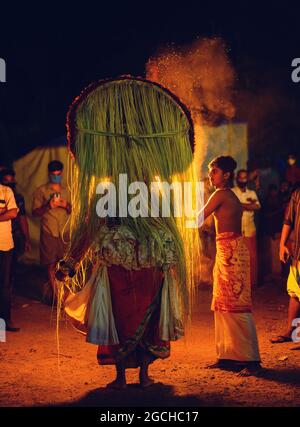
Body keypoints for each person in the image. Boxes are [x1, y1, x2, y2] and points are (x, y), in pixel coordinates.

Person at [56, 77, 200, 389]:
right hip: (120, 269)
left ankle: (141, 375)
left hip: (146, 265)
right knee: (118, 322)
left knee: (144, 321)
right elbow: (90, 228)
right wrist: (71, 263)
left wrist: (71, 262)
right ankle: (123, 376)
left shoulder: (149, 193)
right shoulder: (108, 190)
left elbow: (163, 229)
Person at [198, 156, 261, 376]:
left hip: (231, 252)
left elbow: (198, 219)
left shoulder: (221, 194)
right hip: (227, 251)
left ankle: (251, 360)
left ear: (225, 175)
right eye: (210, 171)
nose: (210, 175)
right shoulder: (227, 194)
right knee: (223, 304)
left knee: (237, 305)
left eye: (214, 171)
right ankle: (227, 356)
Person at [32, 160, 71, 303]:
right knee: (51, 264)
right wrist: (48, 205)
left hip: (65, 231)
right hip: (49, 231)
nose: (56, 177)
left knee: (67, 264)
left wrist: (66, 205)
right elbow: (35, 212)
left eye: (58, 174)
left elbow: (75, 210)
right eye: (53, 174)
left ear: (62, 173)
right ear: (49, 174)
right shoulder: (41, 191)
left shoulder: (67, 190)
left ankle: (66, 294)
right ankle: (57, 298)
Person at [270, 188, 300, 343]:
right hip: (298, 252)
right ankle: (293, 332)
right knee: (295, 293)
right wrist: (282, 244)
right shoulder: (297, 194)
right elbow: (288, 220)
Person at [0, 168, 31, 286]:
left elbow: (21, 218)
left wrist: (26, 239)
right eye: (6, 181)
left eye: (11, 181)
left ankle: (10, 290)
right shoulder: (3, 193)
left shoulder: (18, 198)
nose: (10, 184)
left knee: (10, 268)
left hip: (13, 235)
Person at [232, 169, 260, 287]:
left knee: (251, 256)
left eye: (245, 178)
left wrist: (241, 205)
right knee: (236, 257)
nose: (242, 180)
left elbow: (257, 206)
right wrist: (248, 206)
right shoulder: (232, 192)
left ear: (247, 179)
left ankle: (252, 283)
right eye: (240, 178)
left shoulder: (252, 193)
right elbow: (233, 206)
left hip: (249, 229)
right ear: (237, 179)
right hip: (236, 230)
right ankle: (237, 283)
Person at [0, 182, 19, 331]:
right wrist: (3, 212)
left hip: (4, 244)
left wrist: (7, 211)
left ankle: (5, 320)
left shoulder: (6, 191)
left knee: (4, 284)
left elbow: (13, 212)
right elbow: (8, 212)